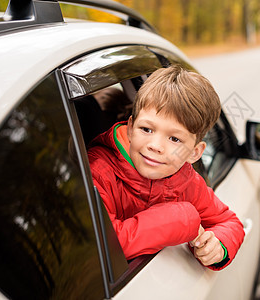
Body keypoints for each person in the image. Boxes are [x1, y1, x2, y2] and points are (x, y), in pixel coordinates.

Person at [87, 65, 244, 270]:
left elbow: (230, 223)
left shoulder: (186, 182)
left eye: (174, 138)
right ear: (132, 127)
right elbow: (103, 247)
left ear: (195, 153)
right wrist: (181, 219)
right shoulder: (98, 172)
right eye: (147, 129)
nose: (155, 146)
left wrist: (218, 246)